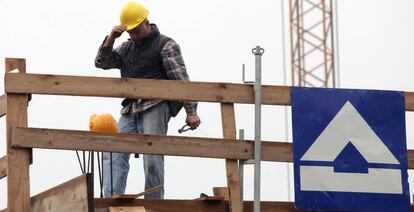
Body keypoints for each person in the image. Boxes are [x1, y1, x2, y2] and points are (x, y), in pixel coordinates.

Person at [94, 1, 201, 199]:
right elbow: (101, 63)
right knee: (114, 150)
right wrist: (111, 39)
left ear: (146, 23)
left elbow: (181, 80)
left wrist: (191, 112)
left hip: (155, 105)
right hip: (130, 108)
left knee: (152, 155)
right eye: (130, 32)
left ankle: (154, 203)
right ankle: (111, 199)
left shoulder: (166, 45)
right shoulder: (127, 47)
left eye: (136, 30)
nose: (133, 35)